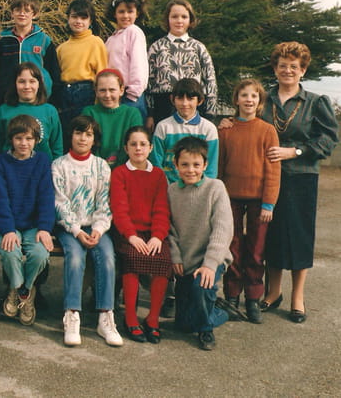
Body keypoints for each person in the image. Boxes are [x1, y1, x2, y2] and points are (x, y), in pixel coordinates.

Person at [257, 42, 338, 323]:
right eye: (282, 65)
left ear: (303, 70)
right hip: (268, 176)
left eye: (294, 66)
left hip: (302, 176)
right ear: (275, 69)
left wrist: (295, 151)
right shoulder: (263, 99)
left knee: (300, 236)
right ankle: (273, 292)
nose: (288, 71)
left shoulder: (315, 102)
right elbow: (247, 122)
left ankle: (298, 298)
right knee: (272, 234)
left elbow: (328, 139)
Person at [53, 115, 123, 347]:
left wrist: (99, 229)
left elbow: (105, 203)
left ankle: (105, 317)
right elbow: (60, 204)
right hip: (69, 228)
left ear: (95, 139)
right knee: (75, 258)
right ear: (71, 135)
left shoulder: (101, 166)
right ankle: (72, 314)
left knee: (107, 258)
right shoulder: (59, 165)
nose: (83, 138)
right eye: (78, 133)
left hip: (95, 227)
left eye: (88, 134)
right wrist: (76, 231)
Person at [217, 79, 280, 324]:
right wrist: (218, 198)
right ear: (236, 99)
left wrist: (268, 203)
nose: (249, 100)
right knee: (231, 246)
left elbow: (273, 170)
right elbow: (219, 165)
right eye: (244, 95)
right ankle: (232, 295)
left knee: (256, 250)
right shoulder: (226, 130)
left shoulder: (267, 130)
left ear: (259, 101)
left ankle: (253, 297)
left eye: (254, 96)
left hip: (258, 200)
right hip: (230, 197)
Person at [168, 136, 233, 351]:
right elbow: (169, 229)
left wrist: (210, 264)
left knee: (201, 286)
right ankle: (219, 311)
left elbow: (222, 229)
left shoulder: (215, 188)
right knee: (183, 325)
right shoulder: (172, 191)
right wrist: (175, 256)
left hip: (211, 259)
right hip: (185, 260)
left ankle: (206, 329)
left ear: (205, 165)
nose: (191, 170)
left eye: (196, 165)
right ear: (176, 164)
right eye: (185, 164)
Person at [110, 126, 171, 344]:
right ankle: (130, 318)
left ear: (150, 147)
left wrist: (157, 236)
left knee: (163, 259)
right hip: (127, 232)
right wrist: (131, 236)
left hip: (152, 232)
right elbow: (119, 209)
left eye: (143, 144)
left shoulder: (158, 175)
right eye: (133, 144)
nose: (138, 148)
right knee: (132, 258)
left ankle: (152, 319)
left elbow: (162, 209)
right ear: (126, 148)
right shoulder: (120, 173)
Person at [0, 115, 54, 326]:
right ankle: (20, 289)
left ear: (36, 140)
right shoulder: (1, 162)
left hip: (34, 225)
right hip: (9, 224)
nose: (23, 143)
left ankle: (25, 289)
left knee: (40, 254)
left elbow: (47, 197)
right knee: (10, 252)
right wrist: (8, 229)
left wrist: (44, 227)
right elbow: (0, 200)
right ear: (11, 139)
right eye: (19, 138)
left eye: (29, 138)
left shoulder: (42, 161)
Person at [146, 0, 217, 127]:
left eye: (184, 17)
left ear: (190, 20)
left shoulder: (198, 47)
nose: (179, 21)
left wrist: (210, 113)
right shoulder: (157, 47)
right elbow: (149, 82)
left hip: (193, 105)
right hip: (164, 107)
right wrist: (150, 114)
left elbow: (210, 80)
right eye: (174, 16)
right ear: (167, 19)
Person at [0, 0, 60, 107]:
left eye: (27, 11)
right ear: (12, 13)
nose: (22, 14)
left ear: (34, 14)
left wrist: (52, 100)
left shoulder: (44, 40)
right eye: (18, 10)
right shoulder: (3, 42)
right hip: (9, 100)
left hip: (38, 100)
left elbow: (54, 73)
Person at [55, 0, 108, 139]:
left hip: (86, 92)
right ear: (68, 18)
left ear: (90, 21)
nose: (78, 21)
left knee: (84, 133)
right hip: (65, 94)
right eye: (74, 17)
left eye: (83, 18)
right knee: (67, 134)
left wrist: (99, 102)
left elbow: (102, 74)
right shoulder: (61, 48)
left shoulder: (96, 43)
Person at [152, 78, 218, 184]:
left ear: (200, 100)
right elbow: (156, 162)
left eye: (190, 98)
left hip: (199, 188)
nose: (184, 103)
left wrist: (201, 188)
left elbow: (211, 168)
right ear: (172, 99)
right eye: (180, 98)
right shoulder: (163, 127)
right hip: (168, 187)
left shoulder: (208, 129)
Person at [0, 62, 63, 160]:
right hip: (10, 166)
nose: (27, 86)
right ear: (15, 84)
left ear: (39, 84)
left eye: (32, 81)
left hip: (43, 167)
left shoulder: (50, 111)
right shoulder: (4, 110)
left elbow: (57, 147)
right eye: (21, 81)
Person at [81, 68, 143, 169]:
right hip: (94, 169)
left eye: (112, 90)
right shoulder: (89, 112)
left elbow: (135, 146)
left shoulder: (132, 114)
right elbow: (86, 146)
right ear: (96, 91)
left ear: (121, 90)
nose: (107, 95)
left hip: (125, 170)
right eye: (102, 90)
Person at [104, 0, 149, 120]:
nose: (125, 16)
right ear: (114, 13)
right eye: (121, 12)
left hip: (131, 96)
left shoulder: (134, 32)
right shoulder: (111, 38)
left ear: (137, 13)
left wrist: (133, 93)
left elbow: (138, 64)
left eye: (130, 12)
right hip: (114, 95)